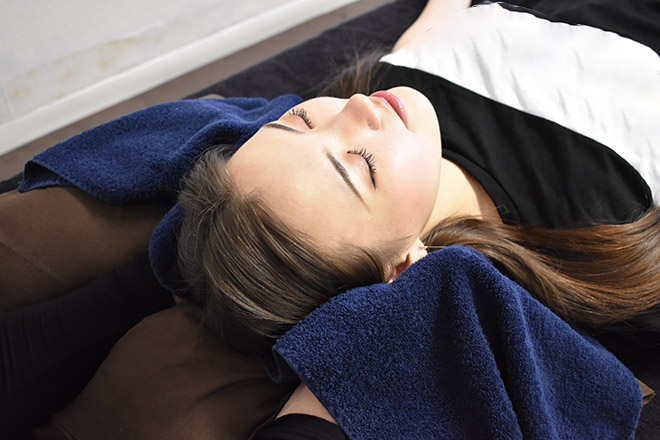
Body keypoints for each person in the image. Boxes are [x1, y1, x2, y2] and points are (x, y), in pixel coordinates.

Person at [1, 0, 658, 437]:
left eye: (301, 119)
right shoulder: (605, 228)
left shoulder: (389, 99)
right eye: (358, 165)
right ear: (405, 266)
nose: (359, 110)